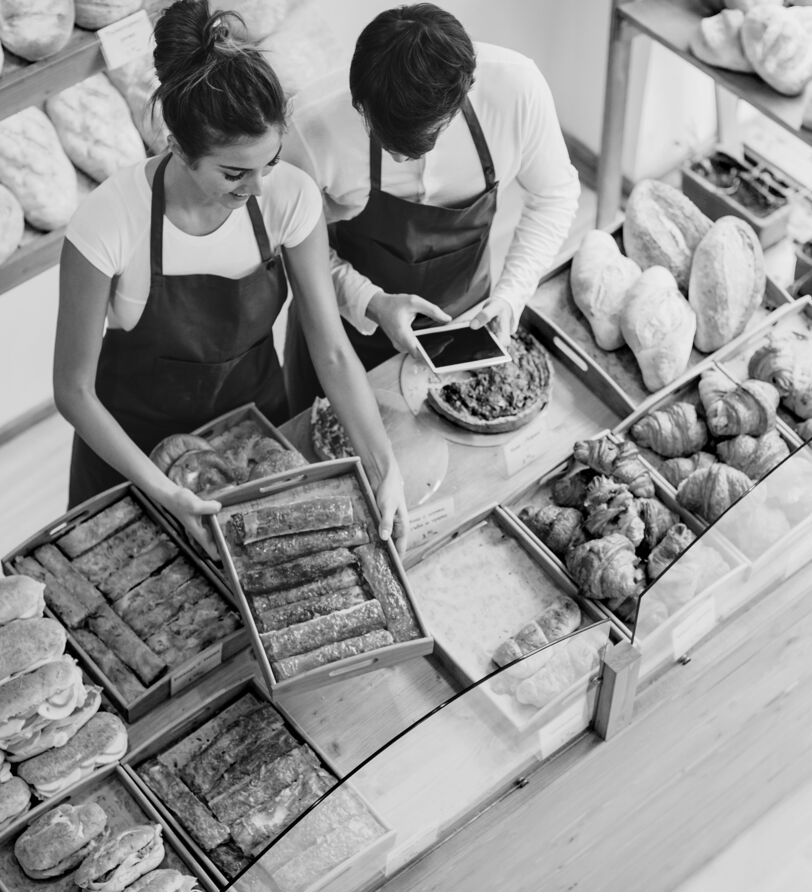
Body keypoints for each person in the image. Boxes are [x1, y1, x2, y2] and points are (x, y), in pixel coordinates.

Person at [54, 0, 407, 552]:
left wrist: (385, 468)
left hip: (254, 441)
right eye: (234, 172)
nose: (259, 188)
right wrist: (163, 491)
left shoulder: (289, 197)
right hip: (132, 459)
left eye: (268, 163)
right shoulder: (108, 221)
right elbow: (73, 391)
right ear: (176, 146)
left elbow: (332, 352)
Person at [282, 2, 580, 413]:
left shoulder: (517, 89)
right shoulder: (311, 129)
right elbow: (297, 253)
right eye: (384, 140)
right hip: (344, 331)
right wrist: (371, 301)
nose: (401, 161)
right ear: (359, 104)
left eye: (424, 138)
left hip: (465, 322)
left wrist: (513, 293)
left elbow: (555, 196)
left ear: (462, 96)